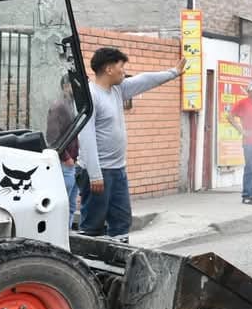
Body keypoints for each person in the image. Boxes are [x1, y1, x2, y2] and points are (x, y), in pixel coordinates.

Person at [78, 47, 186, 241]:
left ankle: (118, 264)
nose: (124, 72)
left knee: (121, 221)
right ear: (109, 69)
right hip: (98, 172)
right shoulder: (91, 96)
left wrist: (173, 73)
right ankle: (87, 267)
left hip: (118, 170)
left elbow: (144, 80)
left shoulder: (118, 90)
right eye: (121, 67)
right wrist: (94, 175)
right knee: (93, 225)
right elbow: (86, 138)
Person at [46, 74, 80, 228]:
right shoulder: (58, 106)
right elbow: (52, 138)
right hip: (65, 165)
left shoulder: (73, 104)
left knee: (71, 206)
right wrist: (66, 158)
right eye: (75, 85)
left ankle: (67, 238)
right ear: (66, 86)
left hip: (74, 164)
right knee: (62, 207)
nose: (78, 88)